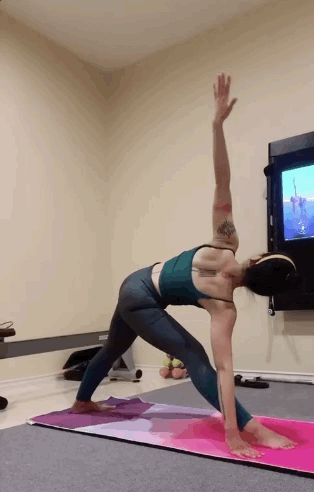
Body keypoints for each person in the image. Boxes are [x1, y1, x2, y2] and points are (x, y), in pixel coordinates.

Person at [72, 73, 301, 458]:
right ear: (261, 291)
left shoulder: (225, 241)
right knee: (194, 356)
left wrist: (217, 125)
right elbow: (224, 370)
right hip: (142, 298)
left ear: (258, 258)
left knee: (114, 346)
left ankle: (82, 401)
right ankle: (256, 429)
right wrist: (237, 433)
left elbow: (222, 180)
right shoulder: (224, 307)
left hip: (135, 281)